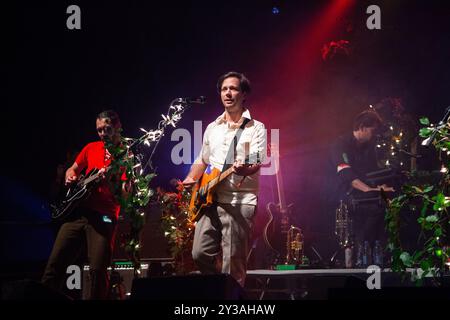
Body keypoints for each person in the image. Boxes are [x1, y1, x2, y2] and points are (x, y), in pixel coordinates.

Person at [182, 71, 266, 287]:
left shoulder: (256, 128)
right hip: (209, 200)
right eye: (224, 89)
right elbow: (202, 160)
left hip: (239, 202)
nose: (228, 93)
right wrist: (191, 179)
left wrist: (243, 169)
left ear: (244, 94)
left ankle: (230, 301)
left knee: (233, 265)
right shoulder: (212, 127)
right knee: (199, 254)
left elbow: (256, 163)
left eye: (234, 88)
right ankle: (220, 289)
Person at [41, 110, 131, 299]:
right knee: (54, 266)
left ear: (117, 127)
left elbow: (125, 193)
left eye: (107, 129)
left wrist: (118, 183)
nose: (102, 134)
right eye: (99, 130)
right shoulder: (90, 148)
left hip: (103, 219)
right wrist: (70, 177)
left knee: (98, 272)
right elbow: (72, 169)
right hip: (79, 214)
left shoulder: (125, 156)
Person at [330, 110, 395, 257]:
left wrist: (381, 188)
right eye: (373, 130)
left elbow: (372, 173)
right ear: (363, 128)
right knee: (374, 208)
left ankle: (381, 252)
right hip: (344, 193)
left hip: (365, 191)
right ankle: (363, 251)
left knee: (390, 202)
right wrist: (371, 190)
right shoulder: (339, 144)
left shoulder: (369, 148)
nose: (375, 134)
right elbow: (347, 175)